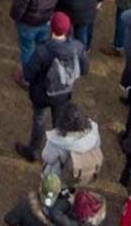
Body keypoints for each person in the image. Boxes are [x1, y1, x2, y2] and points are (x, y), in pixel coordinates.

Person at [16, 11, 88, 162]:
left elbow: (28, 74)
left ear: (51, 28)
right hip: (63, 93)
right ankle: (58, 151)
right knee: (59, 122)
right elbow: (84, 69)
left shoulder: (43, 51)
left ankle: (34, 150)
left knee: (39, 120)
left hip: (41, 94)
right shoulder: (78, 47)